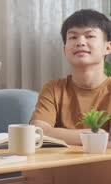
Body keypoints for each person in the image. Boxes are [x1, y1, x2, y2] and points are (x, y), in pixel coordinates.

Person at [30, 9, 111, 147]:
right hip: (55, 166)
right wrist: (96, 136)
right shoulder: (53, 89)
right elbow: (38, 132)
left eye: (89, 36)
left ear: (107, 47)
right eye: (73, 37)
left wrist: (55, 134)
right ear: (64, 50)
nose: (80, 42)